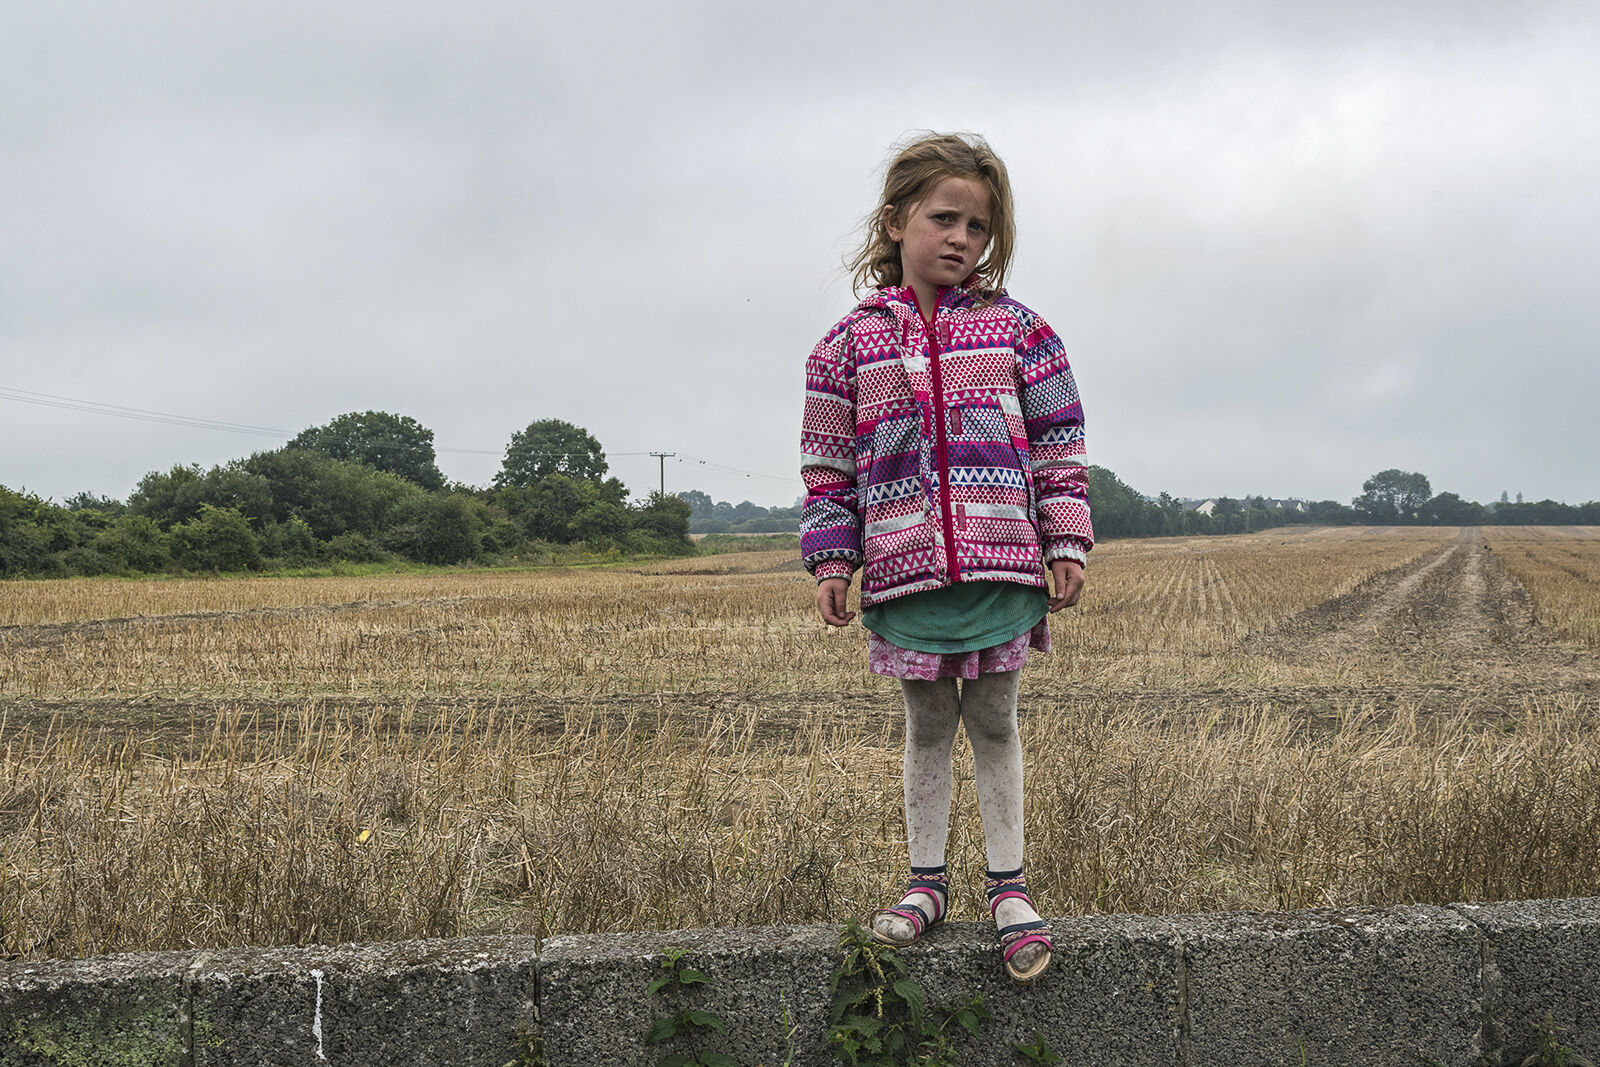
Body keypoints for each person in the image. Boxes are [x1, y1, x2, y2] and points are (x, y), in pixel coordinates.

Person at [799, 132, 1092, 984]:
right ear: (895, 221)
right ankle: (925, 882)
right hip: (904, 572)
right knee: (927, 725)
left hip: (1003, 568)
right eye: (944, 218)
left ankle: (1010, 889)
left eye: (978, 226)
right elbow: (828, 470)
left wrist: (1064, 538)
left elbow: (1058, 445)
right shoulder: (845, 347)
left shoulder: (1021, 332)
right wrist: (831, 561)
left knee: (995, 722)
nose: (961, 238)